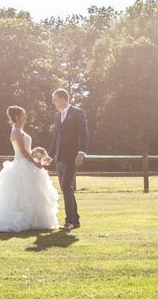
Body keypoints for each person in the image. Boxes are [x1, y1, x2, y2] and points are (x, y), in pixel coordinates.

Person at [48, 88, 89, 231]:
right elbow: (56, 137)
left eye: (54, 99)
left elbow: (84, 134)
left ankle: (69, 222)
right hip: (59, 157)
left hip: (73, 156)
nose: (53, 102)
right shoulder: (56, 116)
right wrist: (49, 155)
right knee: (67, 188)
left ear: (62, 98)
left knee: (66, 186)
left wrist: (82, 152)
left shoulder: (78, 113)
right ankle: (76, 220)